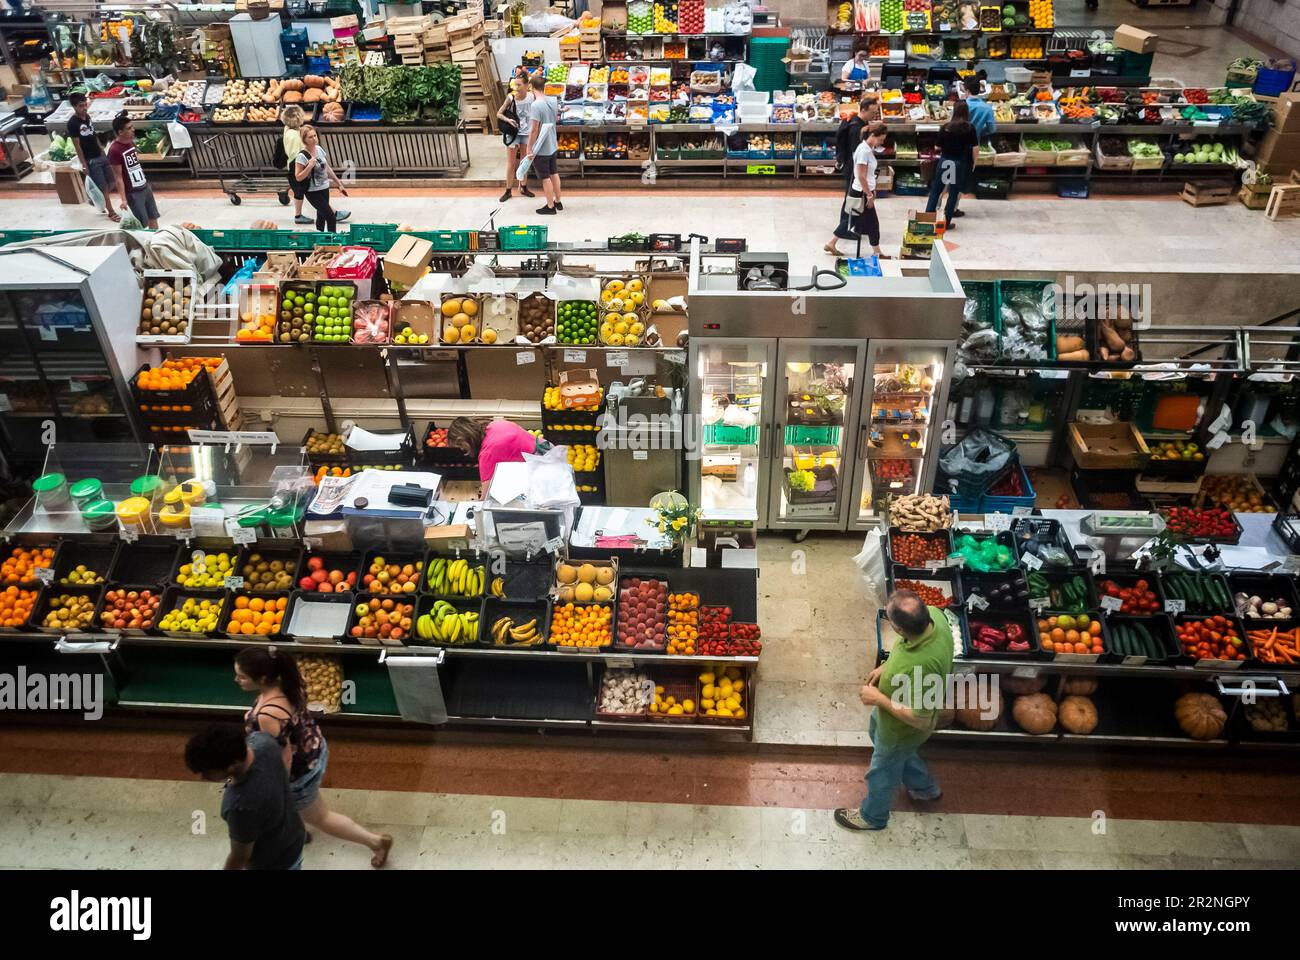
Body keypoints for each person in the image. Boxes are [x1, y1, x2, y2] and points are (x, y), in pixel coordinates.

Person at [235, 646, 393, 868]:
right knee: (300, 809)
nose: (237, 679)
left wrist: (277, 788)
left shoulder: (268, 714)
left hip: (298, 774)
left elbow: (283, 756)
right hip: (314, 748)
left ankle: (376, 842)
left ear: (261, 678)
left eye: (242, 676)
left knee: (321, 817)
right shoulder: (289, 682)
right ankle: (300, 827)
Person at [835, 590, 954, 831]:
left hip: (902, 729)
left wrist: (879, 698)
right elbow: (905, 648)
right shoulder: (934, 616)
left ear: (899, 629)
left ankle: (873, 817)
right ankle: (924, 788)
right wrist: (887, 666)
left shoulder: (924, 666)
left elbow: (920, 719)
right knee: (893, 749)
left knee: (882, 771)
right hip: (890, 723)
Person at [184, 724, 306, 870]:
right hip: (294, 837)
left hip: (273, 863)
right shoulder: (264, 742)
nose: (203, 778)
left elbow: (239, 857)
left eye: (207, 771)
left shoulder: (240, 806)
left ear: (233, 764)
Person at [825, 122, 888, 259]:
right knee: (869, 222)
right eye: (881, 139)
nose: (881, 142)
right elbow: (861, 175)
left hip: (862, 191)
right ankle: (877, 252)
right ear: (873, 135)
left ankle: (832, 243)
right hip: (861, 193)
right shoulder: (864, 151)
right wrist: (869, 194)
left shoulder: (866, 148)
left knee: (854, 220)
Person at [448, 416, 550, 491]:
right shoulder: (495, 424)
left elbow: (486, 495)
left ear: (463, 441)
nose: (462, 450)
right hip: (548, 451)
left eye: (461, 446)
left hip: (544, 471)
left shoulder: (487, 453)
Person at [924, 100, 978, 229]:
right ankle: (946, 223)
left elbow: (937, 146)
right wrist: (974, 163)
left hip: (946, 162)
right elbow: (975, 148)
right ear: (966, 112)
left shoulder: (946, 127)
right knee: (953, 193)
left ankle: (927, 220)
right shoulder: (970, 128)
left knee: (936, 191)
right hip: (960, 164)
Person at [66, 92, 118, 222]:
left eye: (85, 105)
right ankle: (111, 212)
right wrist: (84, 164)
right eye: (80, 106)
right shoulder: (72, 123)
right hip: (91, 160)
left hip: (100, 155)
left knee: (112, 181)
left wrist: (102, 150)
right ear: (74, 107)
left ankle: (95, 197)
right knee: (104, 186)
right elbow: (77, 146)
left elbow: (94, 135)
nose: (84, 108)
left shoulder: (88, 117)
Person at [293, 124, 350, 233]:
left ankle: (321, 239)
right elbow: (298, 177)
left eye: (315, 135)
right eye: (310, 137)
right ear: (304, 140)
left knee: (322, 216)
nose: (314, 139)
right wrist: (309, 166)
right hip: (312, 192)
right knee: (331, 217)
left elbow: (327, 168)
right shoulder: (301, 156)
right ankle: (331, 240)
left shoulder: (319, 149)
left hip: (324, 188)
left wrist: (339, 184)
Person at [106, 112, 158, 228]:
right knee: (142, 224)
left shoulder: (130, 142)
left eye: (132, 127)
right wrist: (123, 200)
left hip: (144, 186)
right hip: (133, 193)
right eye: (129, 128)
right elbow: (118, 178)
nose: (133, 130)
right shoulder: (114, 150)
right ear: (120, 132)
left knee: (153, 217)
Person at [957, 75, 996, 219]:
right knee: (961, 179)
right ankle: (953, 207)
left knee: (949, 178)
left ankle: (944, 208)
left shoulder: (961, 105)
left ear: (966, 90)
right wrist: (979, 131)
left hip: (955, 145)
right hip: (972, 147)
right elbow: (992, 129)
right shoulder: (986, 108)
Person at [523, 72, 562, 216]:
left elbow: (534, 130)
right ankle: (558, 201)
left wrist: (529, 148)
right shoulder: (552, 100)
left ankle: (550, 206)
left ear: (532, 87)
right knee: (554, 173)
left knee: (545, 178)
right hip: (552, 144)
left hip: (542, 148)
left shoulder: (535, 105)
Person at [496, 76, 536, 203]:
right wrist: (508, 120)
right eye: (515, 85)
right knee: (511, 162)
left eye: (519, 85)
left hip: (526, 133)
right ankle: (508, 190)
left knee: (525, 161)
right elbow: (499, 113)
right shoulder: (511, 97)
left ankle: (523, 187)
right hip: (513, 133)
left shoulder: (531, 97)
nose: (516, 88)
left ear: (526, 85)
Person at [834, 95, 876, 187]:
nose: (874, 115)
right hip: (853, 167)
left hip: (853, 165)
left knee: (853, 197)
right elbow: (856, 151)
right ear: (864, 110)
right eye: (872, 113)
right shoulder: (856, 128)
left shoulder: (858, 121)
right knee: (852, 196)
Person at [281, 105, 311, 225]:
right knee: (307, 192)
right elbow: (295, 155)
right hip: (297, 168)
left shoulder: (288, 129)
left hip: (295, 168)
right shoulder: (293, 136)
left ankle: (298, 215)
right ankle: (330, 212)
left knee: (300, 193)